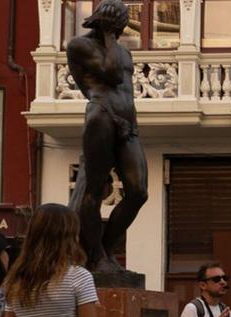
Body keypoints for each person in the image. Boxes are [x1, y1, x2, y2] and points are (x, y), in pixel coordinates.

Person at [66, 0, 148, 272]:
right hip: (101, 117)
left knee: (138, 192)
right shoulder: (79, 46)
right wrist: (109, 35)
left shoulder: (124, 52)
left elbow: (126, 88)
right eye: (117, 24)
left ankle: (107, 248)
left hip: (127, 122)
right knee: (94, 190)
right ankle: (98, 255)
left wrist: (130, 122)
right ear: (104, 22)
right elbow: (111, 74)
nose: (121, 30)